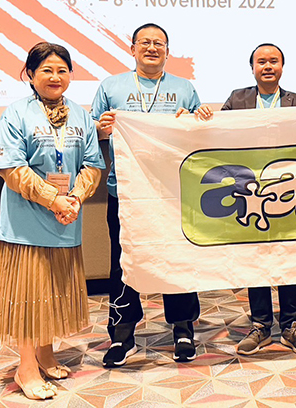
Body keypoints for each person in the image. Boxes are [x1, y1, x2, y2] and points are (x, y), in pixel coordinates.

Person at [92, 23, 213, 367]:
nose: (151, 48)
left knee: (178, 256)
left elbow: (199, 134)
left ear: (167, 50)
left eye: (158, 43)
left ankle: (183, 328)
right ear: (132, 49)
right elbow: (91, 130)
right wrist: (101, 127)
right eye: (144, 42)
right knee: (124, 261)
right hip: (125, 192)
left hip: (173, 191)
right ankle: (122, 334)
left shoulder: (183, 87)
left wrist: (196, 119)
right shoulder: (111, 86)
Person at [0, 42, 105, 400]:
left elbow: (93, 164)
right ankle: (26, 368)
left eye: (62, 70)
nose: (55, 77)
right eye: (46, 70)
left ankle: (44, 353)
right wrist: (52, 198)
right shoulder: (15, 113)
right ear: (30, 74)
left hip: (66, 218)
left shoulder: (81, 115)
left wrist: (74, 198)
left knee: (52, 292)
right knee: (29, 295)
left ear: (70, 75)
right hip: (26, 221)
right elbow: (11, 168)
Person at [221, 43, 296, 357]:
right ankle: (260, 324)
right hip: (252, 192)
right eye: (261, 61)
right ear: (252, 68)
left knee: (290, 256)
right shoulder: (237, 99)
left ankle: (291, 324)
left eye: (273, 61)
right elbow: (215, 136)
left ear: (282, 67)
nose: (267, 66)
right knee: (256, 257)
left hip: (289, 190)